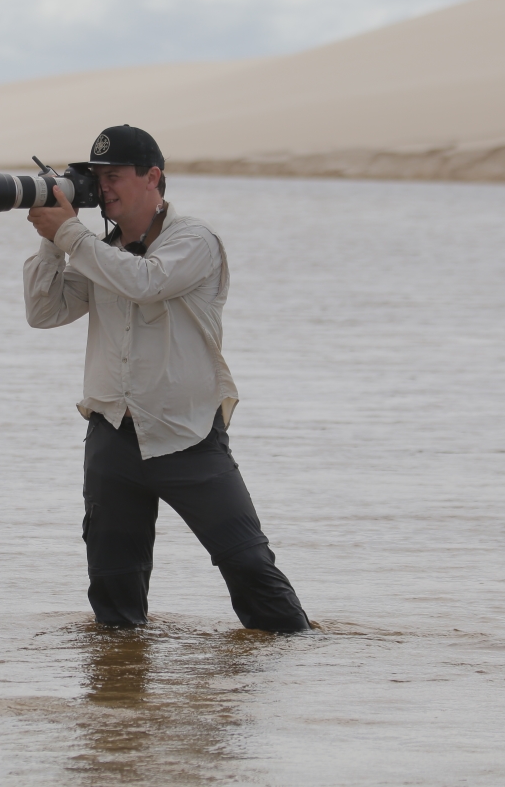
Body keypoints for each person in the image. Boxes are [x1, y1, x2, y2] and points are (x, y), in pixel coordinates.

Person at [24, 124, 310, 632]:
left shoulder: (195, 241)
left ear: (153, 177)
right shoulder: (99, 252)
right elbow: (44, 311)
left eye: (114, 176)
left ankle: (300, 683)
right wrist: (51, 241)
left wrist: (70, 232)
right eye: (96, 178)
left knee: (250, 570)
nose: (102, 188)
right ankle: (120, 705)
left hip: (189, 437)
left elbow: (146, 282)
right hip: (112, 438)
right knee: (114, 600)